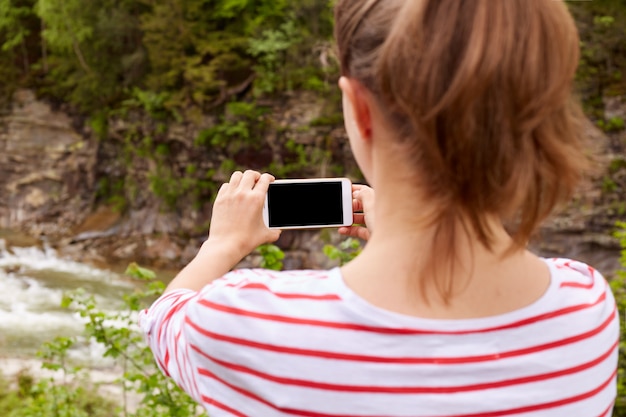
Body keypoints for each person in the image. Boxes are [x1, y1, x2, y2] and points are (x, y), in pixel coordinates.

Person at [139, 0, 619, 415]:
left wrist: (222, 244)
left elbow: (164, 319)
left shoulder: (255, 323)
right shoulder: (587, 310)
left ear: (360, 109)